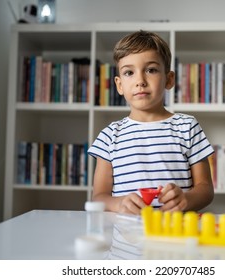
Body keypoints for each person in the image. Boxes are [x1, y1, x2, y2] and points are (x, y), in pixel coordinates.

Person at [88, 30, 214, 215]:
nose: (140, 81)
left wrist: (185, 200)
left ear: (169, 79)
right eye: (129, 72)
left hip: (176, 235)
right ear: (119, 85)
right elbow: (99, 196)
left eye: (151, 70)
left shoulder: (187, 127)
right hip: (125, 238)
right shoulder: (109, 136)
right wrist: (118, 204)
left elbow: (206, 190)